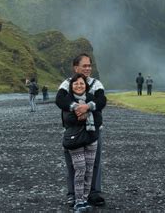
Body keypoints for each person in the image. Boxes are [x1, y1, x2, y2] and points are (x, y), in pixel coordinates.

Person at [56, 53, 107, 207]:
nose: (88, 68)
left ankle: (93, 193)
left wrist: (87, 106)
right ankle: (72, 194)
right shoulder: (67, 83)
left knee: (94, 163)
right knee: (74, 164)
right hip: (73, 131)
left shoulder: (96, 83)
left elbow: (101, 100)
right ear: (75, 67)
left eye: (89, 65)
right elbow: (60, 99)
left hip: (93, 131)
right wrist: (77, 107)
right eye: (84, 65)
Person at [58, 73, 100, 212]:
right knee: (80, 169)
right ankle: (78, 201)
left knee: (89, 170)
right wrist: (85, 112)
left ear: (86, 86)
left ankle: (85, 199)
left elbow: (99, 118)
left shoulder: (91, 99)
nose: (79, 85)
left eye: (81, 83)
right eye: (75, 83)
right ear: (71, 86)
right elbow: (68, 120)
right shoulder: (67, 100)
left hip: (91, 138)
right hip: (75, 139)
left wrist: (84, 111)